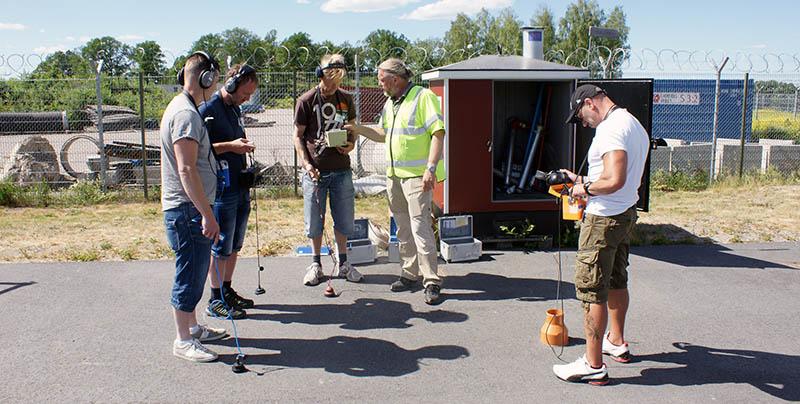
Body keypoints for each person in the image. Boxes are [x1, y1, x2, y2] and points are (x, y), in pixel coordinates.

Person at [552, 84, 650, 384]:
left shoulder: (609, 130)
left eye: (580, 115)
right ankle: (616, 341)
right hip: (624, 214)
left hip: (603, 219)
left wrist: (583, 188)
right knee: (617, 278)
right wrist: (579, 177)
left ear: (591, 103)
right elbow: (618, 175)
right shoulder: (632, 124)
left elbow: (615, 179)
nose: (583, 122)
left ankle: (593, 364)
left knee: (591, 289)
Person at [345, 58, 445, 305]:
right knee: (402, 228)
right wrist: (357, 129)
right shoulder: (391, 103)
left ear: (395, 79)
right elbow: (382, 134)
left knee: (421, 227)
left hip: (416, 178)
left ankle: (431, 280)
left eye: (381, 80)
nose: (379, 85)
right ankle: (410, 274)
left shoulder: (423, 97)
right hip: (394, 178)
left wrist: (430, 169)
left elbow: (438, 133)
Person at [160, 51, 227, 363]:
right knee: (189, 273)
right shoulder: (185, 114)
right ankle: (183, 340)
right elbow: (186, 170)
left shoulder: (186, 108)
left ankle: (193, 327)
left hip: (190, 208)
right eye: (214, 79)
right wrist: (207, 214)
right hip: (188, 210)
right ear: (206, 77)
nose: (215, 86)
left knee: (197, 271)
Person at [293, 53, 363, 286]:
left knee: (344, 220)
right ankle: (316, 264)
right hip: (316, 172)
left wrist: (350, 144)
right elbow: (298, 136)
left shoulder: (346, 98)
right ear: (320, 74)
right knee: (314, 221)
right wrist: (307, 164)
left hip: (341, 170)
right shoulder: (306, 100)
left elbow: (352, 128)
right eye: (330, 78)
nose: (334, 84)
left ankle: (343, 263)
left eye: (338, 79)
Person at [199, 63, 259, 320]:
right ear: (232, 83)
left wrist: (242, 146)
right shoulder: (207, 110)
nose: (247, 99)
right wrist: (231, 147)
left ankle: (226, 289)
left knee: (234, 244)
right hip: (222, 188)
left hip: (240, 184)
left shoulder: (235, 110)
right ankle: (215, 299)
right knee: (220, 246)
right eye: (245, 93)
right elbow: (200, 149)